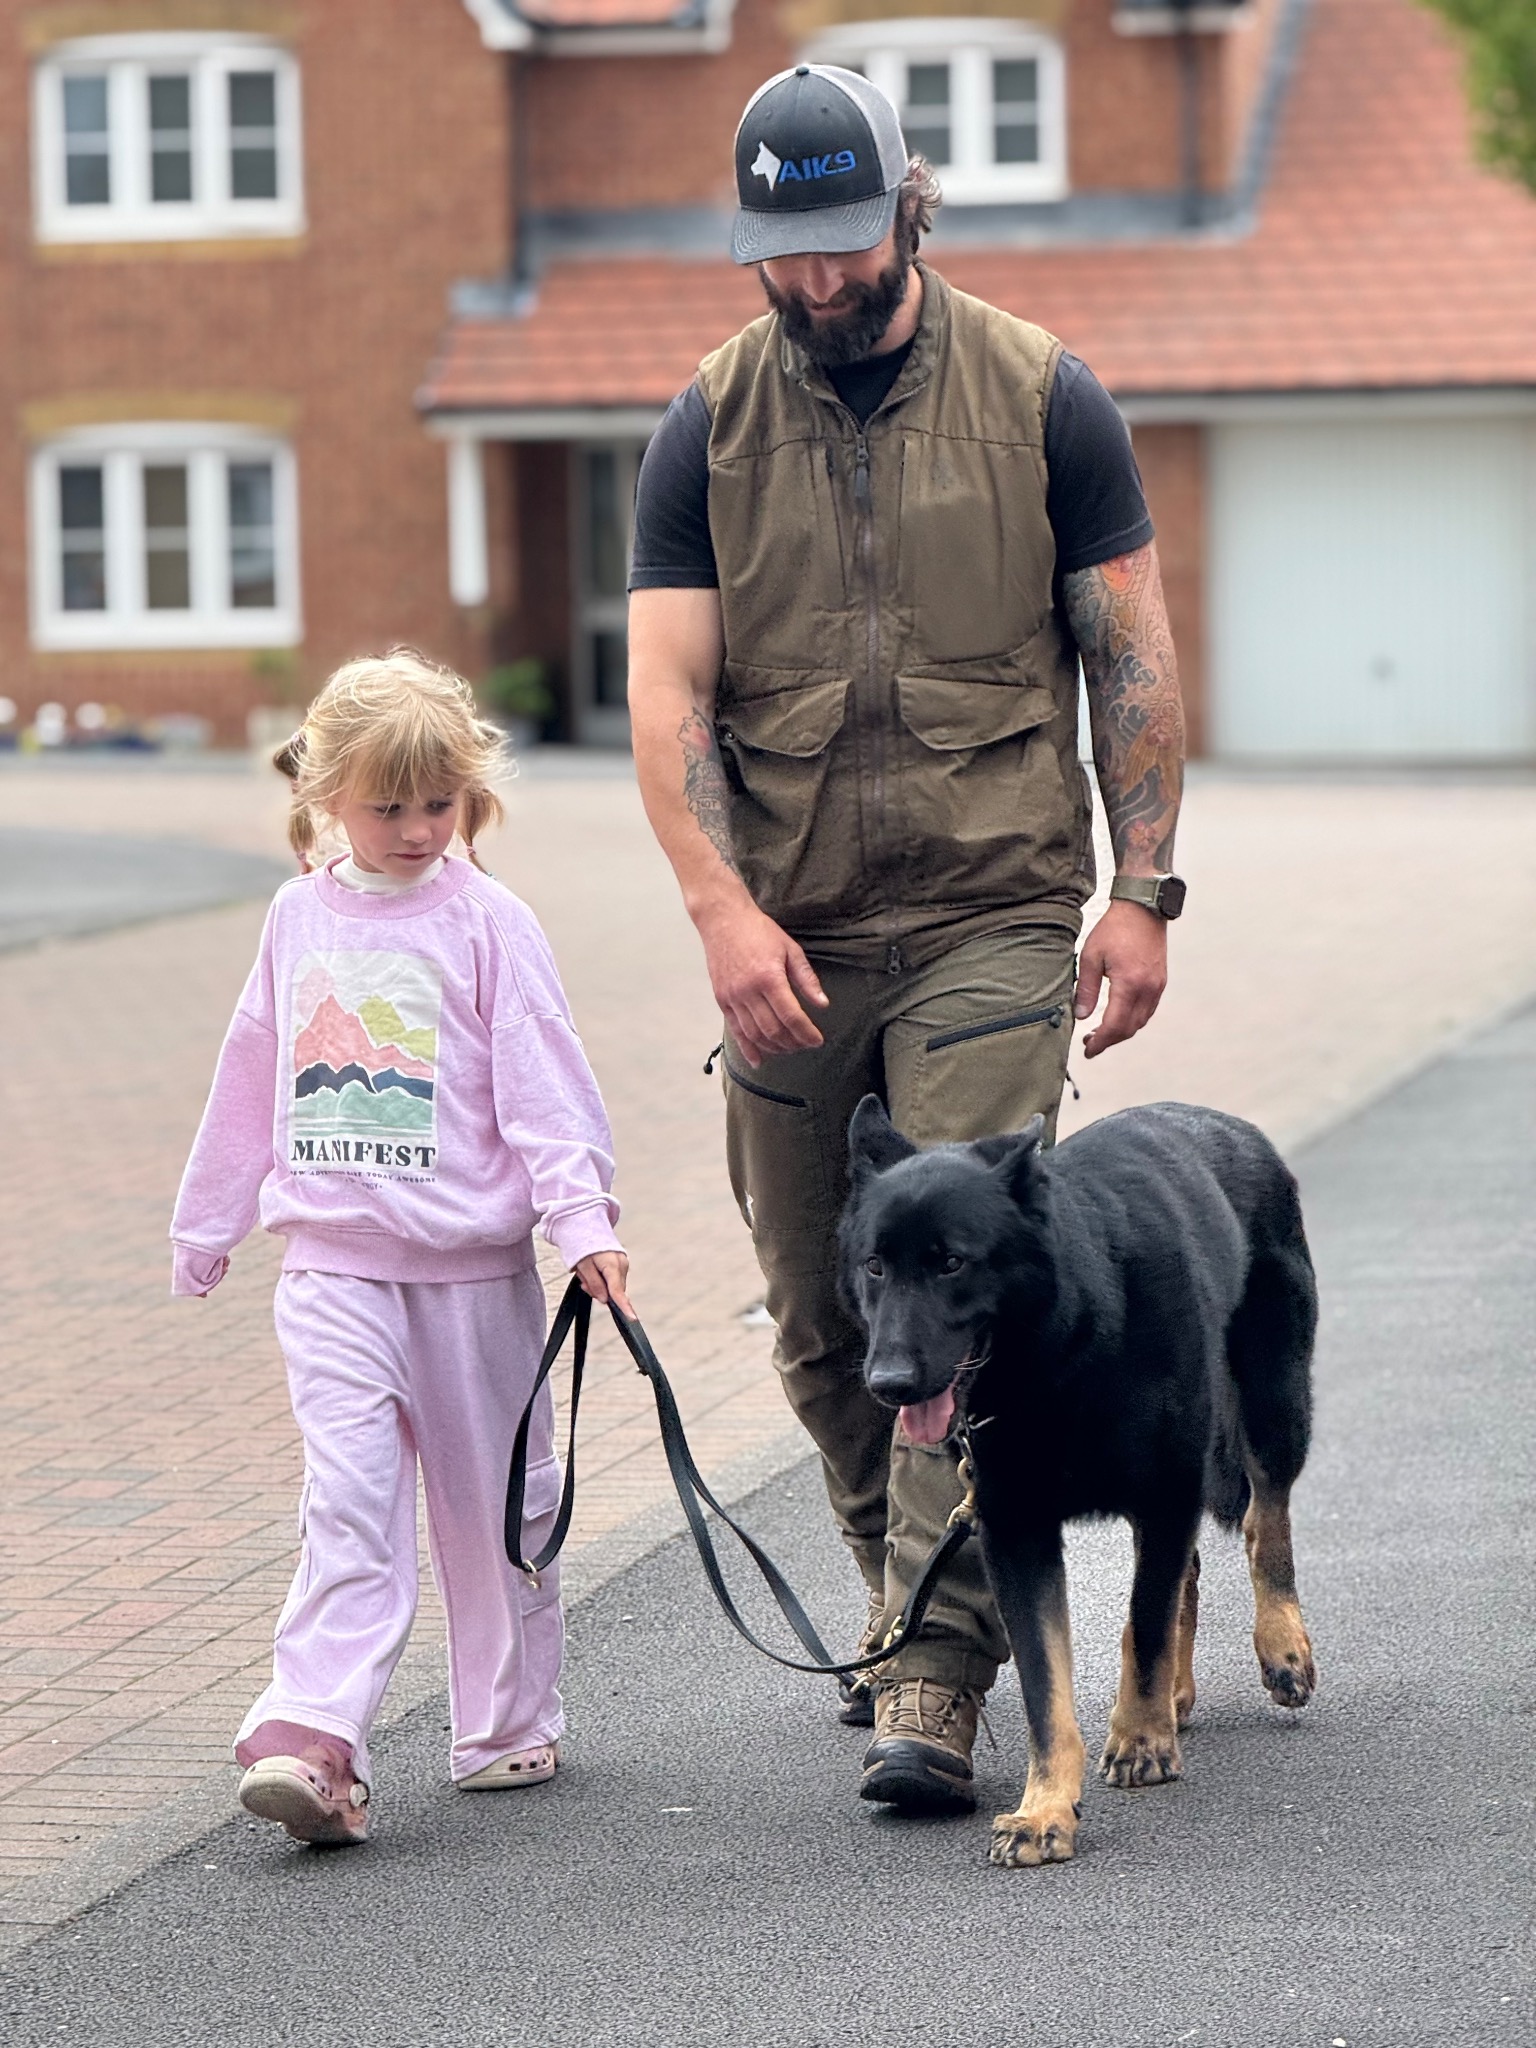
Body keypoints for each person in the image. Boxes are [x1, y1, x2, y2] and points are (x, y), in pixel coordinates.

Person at [627, 64, 1187, 1817]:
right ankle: (905, 1596)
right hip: (785, 925)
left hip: (991, 909)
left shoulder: (1041, 393)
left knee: (957, 1279)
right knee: (821, 1309)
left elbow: (1133, 657)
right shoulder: (703, 424)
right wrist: (719, 908)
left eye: (845, 240)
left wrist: (1141, 887)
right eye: (782, 252)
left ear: (906, 209)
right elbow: (667, 688)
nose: (816, 280)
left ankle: (941, 1683)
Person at [169, 649, 632, 1845]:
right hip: (331, 1269)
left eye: (442, 802)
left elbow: (545, 1087)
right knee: (351, 1499)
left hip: (475, 1279)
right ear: (328, 792)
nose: (421, 827)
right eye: (390, 805)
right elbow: (249, 1071)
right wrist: (209, 1217)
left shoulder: (491, 921)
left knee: (497, 1511)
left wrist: (584, 1224)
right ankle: (312, 1732)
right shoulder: (293, 917)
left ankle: (505, 1721)